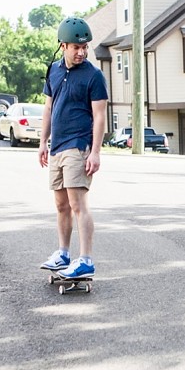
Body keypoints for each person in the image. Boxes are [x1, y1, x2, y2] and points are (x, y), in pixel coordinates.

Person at [38, 17, 108, 279]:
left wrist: (96, 151)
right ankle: (63, 253)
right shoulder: (53, 71)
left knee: (78, 204)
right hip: (56, 146)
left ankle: (86, 259)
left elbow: (99, 116)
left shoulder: (94, 76)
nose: (81, 52)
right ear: (63, 46)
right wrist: (43, 143)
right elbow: (48, 108)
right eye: (76, 47)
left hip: (78, 146)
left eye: (85, 47)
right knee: (61, 205)